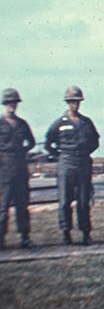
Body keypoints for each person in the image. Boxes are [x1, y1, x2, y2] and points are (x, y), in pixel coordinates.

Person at [45, 86, 99, 247]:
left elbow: (95, 142)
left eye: (77, 101)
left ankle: (86, 233)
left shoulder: (86, 122)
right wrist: (61, 155)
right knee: (65, 200)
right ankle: (66, 233)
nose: (74, 105)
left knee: (83, 200)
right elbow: (48, 143)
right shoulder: (59, 123)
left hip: (83, 163)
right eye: (71, 102)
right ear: (67, 103)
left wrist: (84, 153)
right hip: (66, 164)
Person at [0, 88, 36, 250]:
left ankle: (25, 237)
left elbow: (31, 142)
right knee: (3, 206)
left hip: (20, 168)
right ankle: (1, 239)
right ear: (4, 104)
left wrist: (22, 151)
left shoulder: (22, 124)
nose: (12, 105)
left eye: (14, 102)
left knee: (22, 205)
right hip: (4, 169)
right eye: (9, 103)